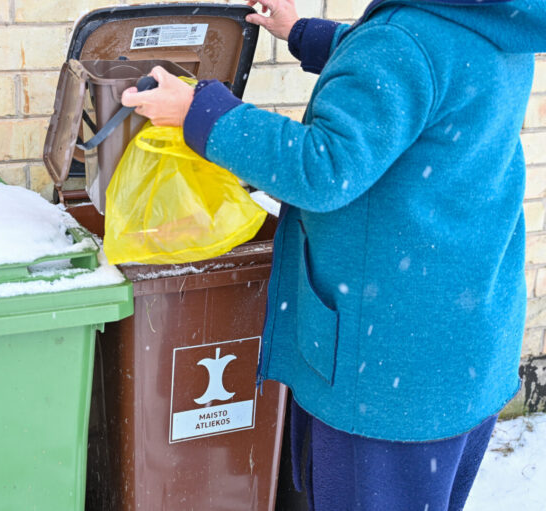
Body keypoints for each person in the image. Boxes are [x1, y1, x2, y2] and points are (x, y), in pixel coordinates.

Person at [121, 0, 546, 509]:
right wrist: (304, 33)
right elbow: (416, 75)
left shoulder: (403, 42)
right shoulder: (494, 19)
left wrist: (201, 114)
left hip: (386, 374)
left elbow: (322, 169)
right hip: (460, 352)